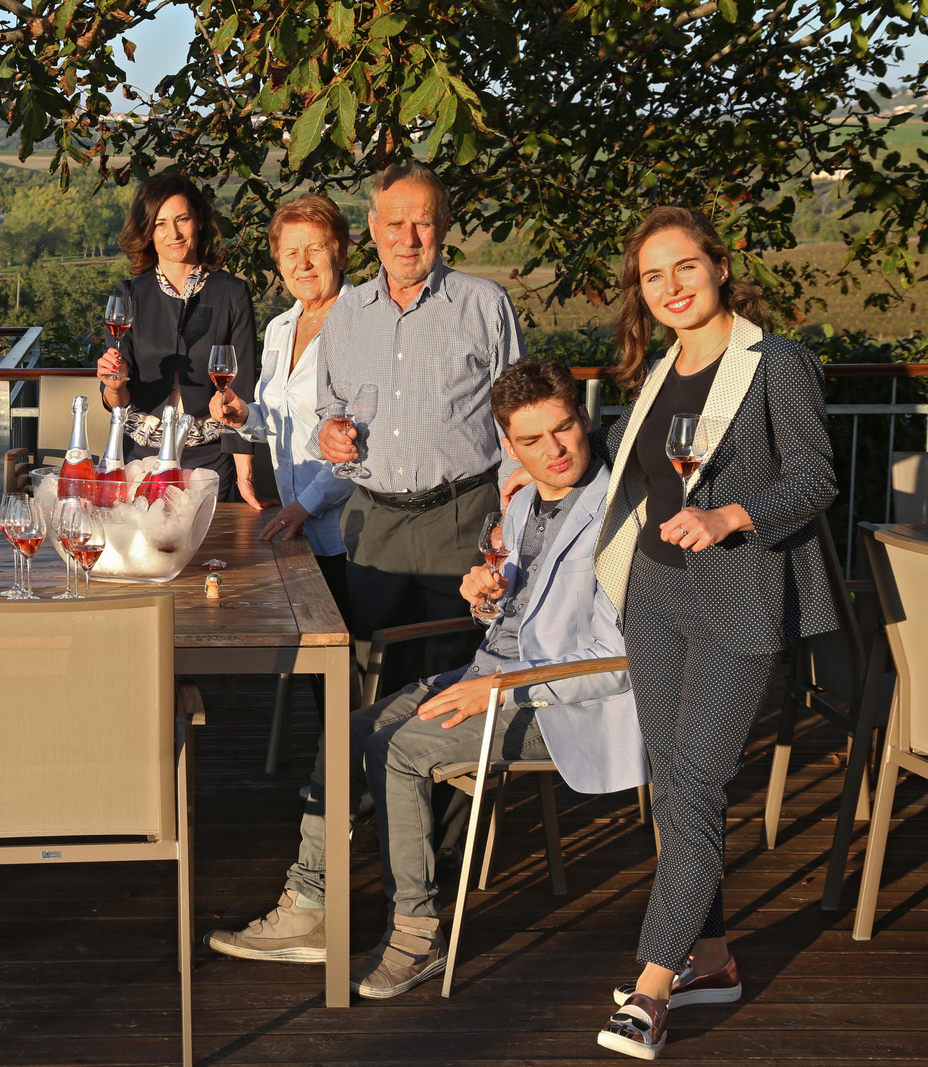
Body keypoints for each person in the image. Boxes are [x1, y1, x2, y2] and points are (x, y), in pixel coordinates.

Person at [207, 358, 644, 999]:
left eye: (563, 429)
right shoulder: (525, 502)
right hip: (488, 674)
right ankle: (310, 906)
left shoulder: (622, 515)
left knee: (400, 749)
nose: (552, 451)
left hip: (561, 706)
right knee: (346, 733)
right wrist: (485, 599)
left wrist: (496, 689)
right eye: (530, 440)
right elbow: (517, 615)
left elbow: (618, 660)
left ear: (584, 418)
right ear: (508, 443)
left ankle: (416, 936)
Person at [585, 208, 836, 1060]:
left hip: (739, 596)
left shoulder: (775, 362)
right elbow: (633, 464)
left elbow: (815, 479)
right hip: (655, 594)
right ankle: (715, 959)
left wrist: (731, 514)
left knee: (695, 783)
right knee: (674, 786)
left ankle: (652, 988)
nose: (671, 287)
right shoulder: (663, 368)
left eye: (685, 267)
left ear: (720, 267)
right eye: (653, 276)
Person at [312, 161, 525, 695]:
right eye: (394, 223)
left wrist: (512, 518)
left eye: (423, 222)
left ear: (444, 225)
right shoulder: (347, 314)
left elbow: (518, 423)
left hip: (462, 520)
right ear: (373, 226)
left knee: (460, 671)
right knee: (374, 671)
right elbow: (328, 409)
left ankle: (448, 755)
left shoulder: (485, 305)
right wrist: (328, 436)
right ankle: (373, 753)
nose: (407, 239)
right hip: (373, 524)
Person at [211, 193, 355, 617]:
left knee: (347, 640)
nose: (303, 263)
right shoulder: (279, 327)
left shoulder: (363, 324)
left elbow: (365, 442)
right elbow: (277, 418)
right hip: (295, 529)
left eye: (315, 249)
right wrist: (244, 416)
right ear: (278, 263)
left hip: (348, 531)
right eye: (291, 253)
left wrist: (304, 506)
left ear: (340, 253)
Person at [96, 173, 258, 504]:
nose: (174, 233)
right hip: (138, 457)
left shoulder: (232, 294)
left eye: (182, 219)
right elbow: (116, 401)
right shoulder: (128, 296)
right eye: (161, 224)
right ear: (148, 232)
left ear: (199, 221)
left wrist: (245, 477)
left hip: (210, 458)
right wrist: (114, 386)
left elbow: (242, 392)